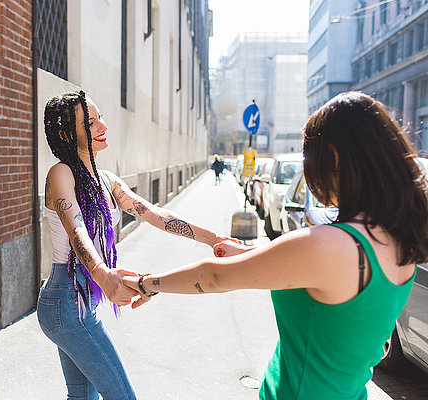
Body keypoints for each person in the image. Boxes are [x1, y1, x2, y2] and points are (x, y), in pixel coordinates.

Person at [124, 92, 428, 400]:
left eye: (310, 158)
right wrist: (244, 254)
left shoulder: (330, 244)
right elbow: (317, 281)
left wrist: (144, 283)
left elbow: (214, 276)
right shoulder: (401, 241)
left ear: (334, 157)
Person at [37, 90, 231, 400]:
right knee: (121, 395)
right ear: (65, 133)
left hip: (80, 303)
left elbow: (155, 214)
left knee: (83, 396)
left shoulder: (107, 180)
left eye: (101, 118)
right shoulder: (61, 173)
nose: (102, 126)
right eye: (90, 122)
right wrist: (103, 274)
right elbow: (77, 232)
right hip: (66, 301)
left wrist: (214, 240)